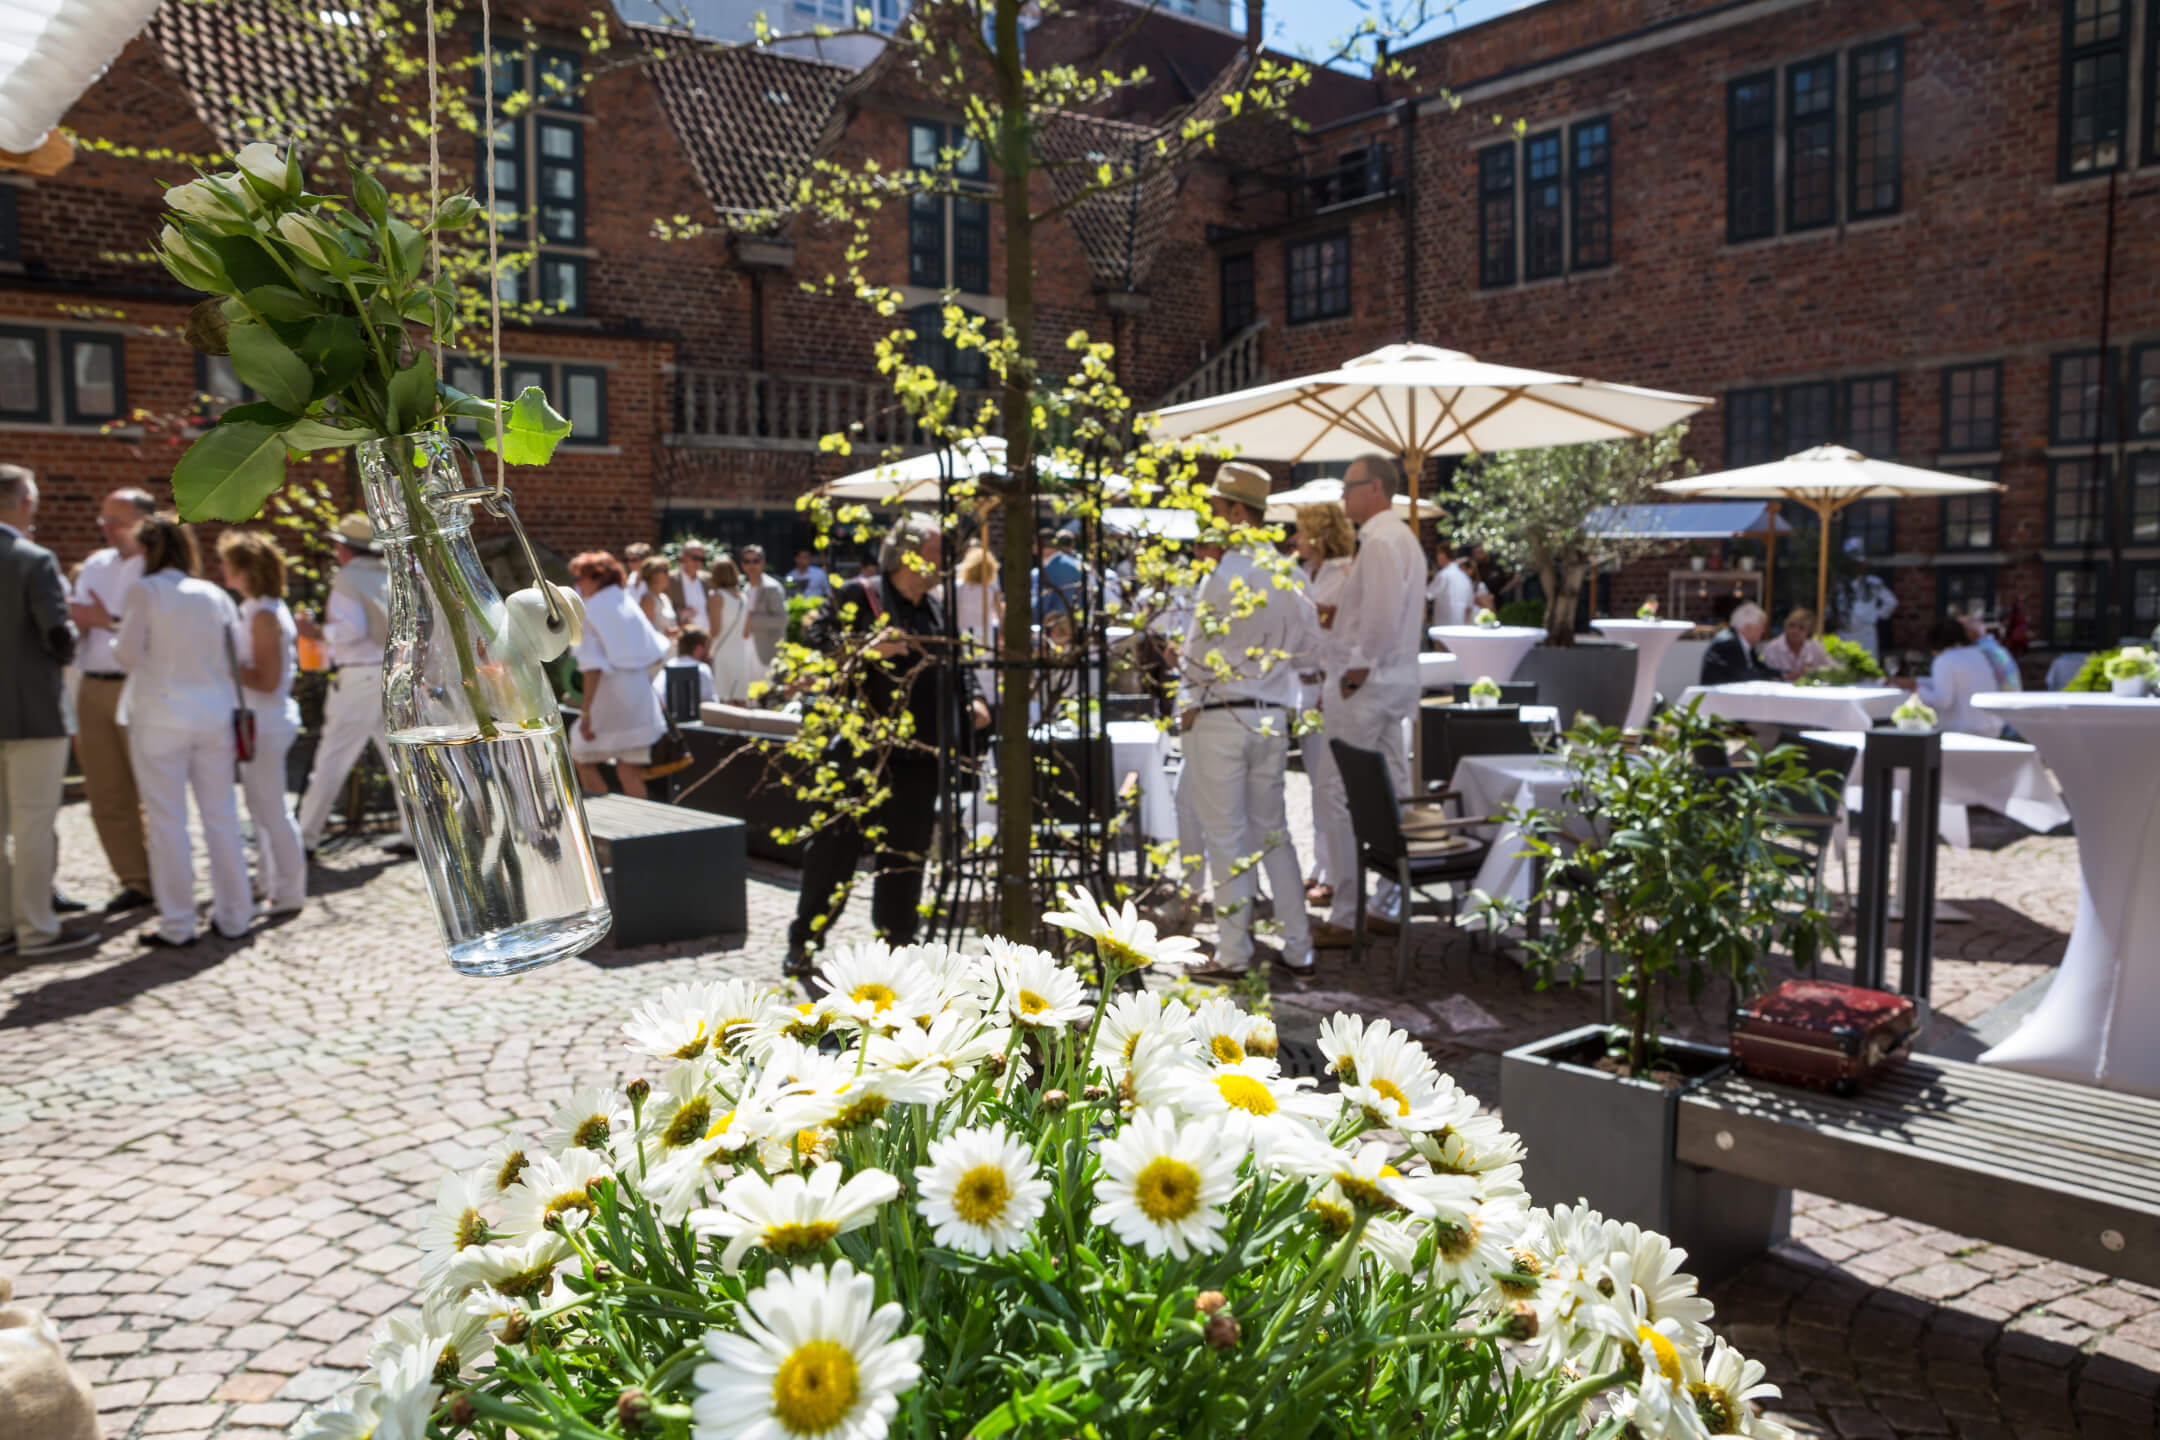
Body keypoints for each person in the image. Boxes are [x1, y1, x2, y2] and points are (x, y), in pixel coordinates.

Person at [786, 516, 989, 974]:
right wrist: (867, 648)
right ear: (909, 555)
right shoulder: (860, 595)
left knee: (905, 858)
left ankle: (897, 949)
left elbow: (959, 663)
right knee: (833, 853)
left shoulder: (937, 609)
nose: (945, 564)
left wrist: (973, 696)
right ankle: (805, 940)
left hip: (919, 756)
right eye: (938, 553)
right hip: (859, 754)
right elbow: (814, 647)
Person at [1179, 462, 1319, 980]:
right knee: (1273, 833)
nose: (1211, 521)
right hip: (1271, 717)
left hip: (1223, 715)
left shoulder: (1224, 574)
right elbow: (1310, 649)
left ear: (1238, 512)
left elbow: (1194, 658)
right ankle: (1298, 947)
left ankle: (1235, 954)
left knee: (1227, 837)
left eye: (1216, 510)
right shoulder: (1291, 572)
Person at [114, 514, 252, 948]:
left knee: (167, 821)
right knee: (221, 817)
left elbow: (126, 655)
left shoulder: (145, 590)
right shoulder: (214, 594)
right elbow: (239, 653)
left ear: (147, 551)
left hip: (161, 717)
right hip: (214, 714)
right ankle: (236, 915)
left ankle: (178, 924)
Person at [1309, 454, 1426, 950]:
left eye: (1348, 487)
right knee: (1393, 787)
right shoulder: (1402, 540)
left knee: (1338, 790)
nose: (1343, 496)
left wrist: (1354, 672)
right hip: (1391, 683)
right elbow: (1382, 614)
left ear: (1375, 488)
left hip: (1367, 685)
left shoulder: (1379, 541)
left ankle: (1347, 910)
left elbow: (1378, 621)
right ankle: (1386, 901)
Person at [0, 466, 92, 956]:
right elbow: (58, 636)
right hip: (33, 711)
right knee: (33, 823)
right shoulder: (33, 560)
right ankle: (36, 928)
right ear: (23, 503)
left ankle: (2, 926)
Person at [294, 515, 410, 855]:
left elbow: (349, 630)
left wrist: (315, 633)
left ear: (344, 548)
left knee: (332, 759)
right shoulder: (389, 574)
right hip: (393, 673)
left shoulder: (348, 578)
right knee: (399, 760)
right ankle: (414, 835)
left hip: (359, 675)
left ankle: (304, 839)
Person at [66, 486, 155, 913]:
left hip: (139, 686)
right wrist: (77, 624)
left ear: (144, 521)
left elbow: (160, 634)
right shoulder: (95, 566)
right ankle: (135, 881)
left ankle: (168, 877)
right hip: (91, 684)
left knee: (152, 788)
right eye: (103, 520)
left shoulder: (158, 568)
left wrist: (106, 620)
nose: (107, 529)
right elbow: (80, 621)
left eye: (116, 520)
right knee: (105, 791)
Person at [217, 531, 306, 919]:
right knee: (260, 808)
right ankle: (271, 882)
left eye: (228, 563)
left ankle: (290, 890)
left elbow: (267, 679)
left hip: (266, 721)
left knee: (271, 810)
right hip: (257, 719)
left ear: (244, 570)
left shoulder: (265, 613)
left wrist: (220, 666)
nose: (222, 569)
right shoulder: (256, 608)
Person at [567, 551, 671, 798]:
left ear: (596, 578)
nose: (578, 584)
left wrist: (586, 713)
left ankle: (604, 819)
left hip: (611, 693)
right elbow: (657, 653)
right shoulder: (626, 602)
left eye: (580, 578)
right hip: (639, 691)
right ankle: (639, 832)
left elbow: (592, 668)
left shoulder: (589, 610)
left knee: (582, 758)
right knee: (629, 770)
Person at [1292, 502, 1355, 905]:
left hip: (1328, 690)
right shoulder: (1307, 573)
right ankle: (1321, 864)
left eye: (1300, 530)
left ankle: (1335, 872)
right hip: (1306, 689)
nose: (1294, 538)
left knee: (1332, 787)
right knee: (1317, 786)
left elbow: (1340, 636)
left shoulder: (1346, 574)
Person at [1898, 618, 2007, 737]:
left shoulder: (1944, 660)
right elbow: (1957, 683)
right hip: (1992, 726)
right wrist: (1918, 682)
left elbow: (1942, 701)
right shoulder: (1979, 654)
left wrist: (1916, 689)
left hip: (1964, 731)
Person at [705, 555, 768, 703]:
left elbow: (715, 631)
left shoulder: (716, 596)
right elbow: (746, 632)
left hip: (721, 652)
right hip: (740, 653)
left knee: (723, 700)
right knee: (740, 699)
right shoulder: (742, 597)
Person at [954, 538, 1000, 703]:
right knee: (985, 674)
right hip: (985, 636)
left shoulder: (958, 587)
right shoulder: (990, 588)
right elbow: (999, 615)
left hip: (964, 635)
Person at [1834, 538, 1898, 658]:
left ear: (1863, 564)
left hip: (1866, 635)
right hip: (1843, 635)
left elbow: (1891, 602)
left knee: (1867, 670)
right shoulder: (1838, 584)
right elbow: (1829, 607)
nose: (1854, 567)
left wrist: (1875, 615)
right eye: (1850, 563)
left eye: (1857, 563)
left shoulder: (1873, 583)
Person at [1699, 601, 1780, 686]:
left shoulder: (1743, 644)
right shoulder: (1728, 644)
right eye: (1761, 627)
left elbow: (1759, 668)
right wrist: (1775, 678)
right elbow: (1746, 677)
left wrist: (1781, 674)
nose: (1763, 631)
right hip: (1718, 697)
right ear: (1748, 627)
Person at [653, 625, 718, 716]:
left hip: (664, 722)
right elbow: (712, 706)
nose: (709, 653)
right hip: (691, 726)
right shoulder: (702, 668)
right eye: (707, 647)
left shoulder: (667, 666)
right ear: (699, 648)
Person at [740, 545, 789, 663]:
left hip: (768, 653)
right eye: (747, 561)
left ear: (762, 563)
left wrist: (749, 621)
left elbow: (782, 620)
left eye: (755, 561)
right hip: (747, 651)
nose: (751, 565)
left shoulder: (772, 587)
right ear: (742, 565)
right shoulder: (745, 588)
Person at [1031, 528, 1086, 622]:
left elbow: (1041, 604)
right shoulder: (1076, 564)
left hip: (1054, 625)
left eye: (1035, 545)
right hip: (1076, 622)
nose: (1034, 551)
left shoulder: (1047, 569)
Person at [1963, 606, 2022, 692]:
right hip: (2011, 699)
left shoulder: (1980, 652)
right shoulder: (1998, 649)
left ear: (1970, 632)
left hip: (1999, 701)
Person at [1425, 536, 1477, 633]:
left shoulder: (1444, 575)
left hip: (1443, 629)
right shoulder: (1465, 577)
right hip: (1462, 629)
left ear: (1443, 555)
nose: (1437, 557)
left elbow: (1427, 595)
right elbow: (1469, 606)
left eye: (1438, 554)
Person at [1761, 608, 1831, 680]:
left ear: (1809, 632)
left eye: (1801, 628)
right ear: (1786, 626)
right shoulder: (1772, 648)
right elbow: (1766, 676)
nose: (1795, 630)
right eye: (1792, 625)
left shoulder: (1815, 647)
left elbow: (1831, 668)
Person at [666, 541, 709, 631]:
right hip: (681, 638)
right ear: (683, 557)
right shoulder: (669, 580)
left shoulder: (708, 579)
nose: (698, 562)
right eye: (695, 558)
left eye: (702, 559)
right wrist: (679, 613)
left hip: (706, 637)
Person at [634, 554, 678, 638]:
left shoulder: (664, 597)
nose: (668, 574)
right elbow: (644, 632)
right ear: (653, 574)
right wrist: (666, 633)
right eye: (665, 571)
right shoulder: (647, 600)